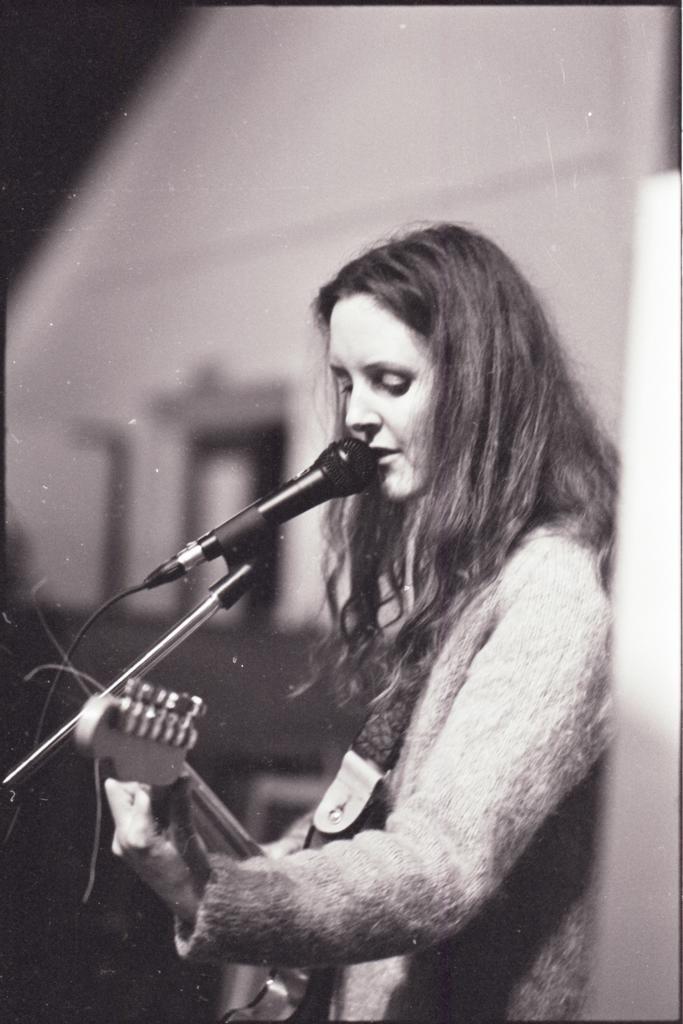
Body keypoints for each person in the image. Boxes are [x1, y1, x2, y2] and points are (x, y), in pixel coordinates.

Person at [105, 223, 618, 1021]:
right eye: (346, 383)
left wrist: (212, 893)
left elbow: (439, 863)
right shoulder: (471, 576)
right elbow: (367, 824)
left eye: (390, 381)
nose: (357, 417)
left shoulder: (552, 588)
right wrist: (204, 865)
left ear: (482, 390)